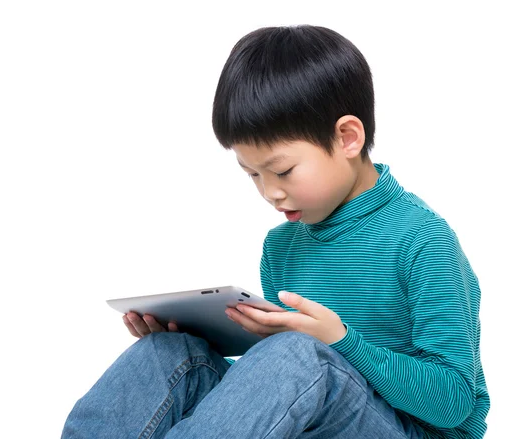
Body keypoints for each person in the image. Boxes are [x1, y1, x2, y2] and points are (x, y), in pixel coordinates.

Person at [61, 25, 489, 438]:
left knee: (300, 354)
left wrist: (338, 341)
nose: (270, 192)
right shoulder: (282, 245)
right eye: (252, 175)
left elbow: (452, 404)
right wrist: (202, 334)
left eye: (282, 170)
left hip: (414, 430)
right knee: (168, 355)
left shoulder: (423, 241)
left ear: (347, 138)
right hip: (316, 418)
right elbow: (281, 389)